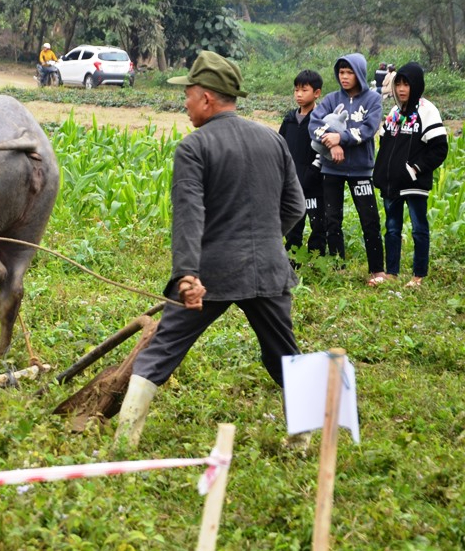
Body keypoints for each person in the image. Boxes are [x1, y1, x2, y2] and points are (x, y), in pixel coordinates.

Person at [114, 51, 304, 451]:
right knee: (286, 356)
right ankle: (302, 443)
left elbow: (188, 215)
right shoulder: (273, 138)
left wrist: (186, 274)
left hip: (208, 276)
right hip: (269, 269)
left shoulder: (194, 147)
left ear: (207, 98)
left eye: (187, 95)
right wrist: (267, 240)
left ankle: (122, 445)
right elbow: (295, 207)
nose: (183, 104)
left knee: (160, 353)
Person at [309, 53, 386, 285]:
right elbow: (314, 124)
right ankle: (338, 266)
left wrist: (339, 138)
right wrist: (330, 145)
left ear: (359, 73)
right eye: (341, 72)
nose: (344, 77)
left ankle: (377, 270)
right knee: (332, 218)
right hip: (332, 170)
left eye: (349, 72)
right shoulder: (332, 99)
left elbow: (368, 128)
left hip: (361, 169)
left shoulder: (373, 99)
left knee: (369, 218)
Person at [373, 62, 448, 287]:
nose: (402, 89)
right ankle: (392, 273)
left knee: (418, 229)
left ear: (416, 85)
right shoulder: (395, 112)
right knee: (392, 228)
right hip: (392, 184)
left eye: (407, 84)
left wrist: (415, 168)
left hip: (414, 183)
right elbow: (385, 143)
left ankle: (418, 276)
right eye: (399, 84)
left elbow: (439, 149)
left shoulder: (427, 110)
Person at [279, 69, 326, 258]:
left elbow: (324, 151)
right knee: (293, 224)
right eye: (296, 90)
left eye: (304, 90)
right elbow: (280, 146)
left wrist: (312, 173)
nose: (299, 94)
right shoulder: (289, 120)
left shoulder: (320, 120)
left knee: (317, 222)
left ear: (317, 93)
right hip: (291, 181)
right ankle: (292, 259)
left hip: (314, 182)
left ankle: (317, 259)